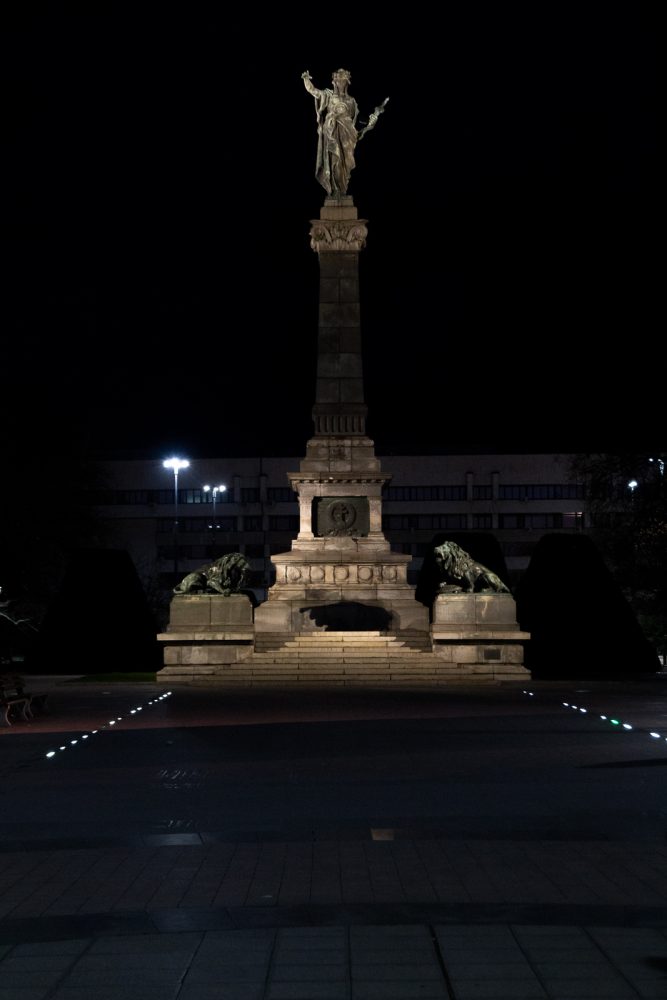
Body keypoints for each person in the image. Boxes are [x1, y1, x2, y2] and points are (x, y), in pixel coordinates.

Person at [301, 69, 387, 197]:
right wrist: (306, 79)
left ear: (347, 83)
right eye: (338, 80)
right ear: (334, 82)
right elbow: (314, 91)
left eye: (343, 81)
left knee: (346, 162)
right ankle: (336, 190)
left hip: (348, 133)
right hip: (332, 131)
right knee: (335, 160)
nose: (341, 83)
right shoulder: (328, 95)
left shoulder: (351, 101)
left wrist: (373, 119)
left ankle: (343, 188)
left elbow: (358, 123)